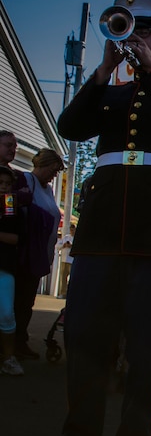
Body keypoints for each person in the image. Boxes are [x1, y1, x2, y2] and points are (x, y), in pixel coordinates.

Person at [35, 0, 151, 436]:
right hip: (104, 232)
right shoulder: (109, 94)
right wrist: (104, 70)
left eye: (146, 30)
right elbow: (71, 126)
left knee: (147, 349)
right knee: (86, 342)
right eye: (129, 28)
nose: (135, 37)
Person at [13, 148, 65, 359]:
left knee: (27, 302)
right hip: (23, 253)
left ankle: (20, 341)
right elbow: (9, 205)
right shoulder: (25, 180)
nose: (54, 175)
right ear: (43, 164)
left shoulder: (49, 189)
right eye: (53, 170)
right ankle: (13, 344)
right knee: (18, 301)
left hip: (39, 254)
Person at [0, 167, 24, 376]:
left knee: (7, 313)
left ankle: (9, 357)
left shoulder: (10, 207)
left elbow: (15, 238)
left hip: (5, 266)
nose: (4, 187)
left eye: (7, 184)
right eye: (0, 183)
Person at [56, 222, 75, 298]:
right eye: (71, 229)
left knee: (72, 278)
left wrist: (71, 246)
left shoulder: (76, 238)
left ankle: (71, 293)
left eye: (73, 229)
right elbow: (57, 246)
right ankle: (63, 293)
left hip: (72, 260)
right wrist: (64, 245)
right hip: (64, 259)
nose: (72, 231)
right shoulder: (66, 237)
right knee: (63, 278)